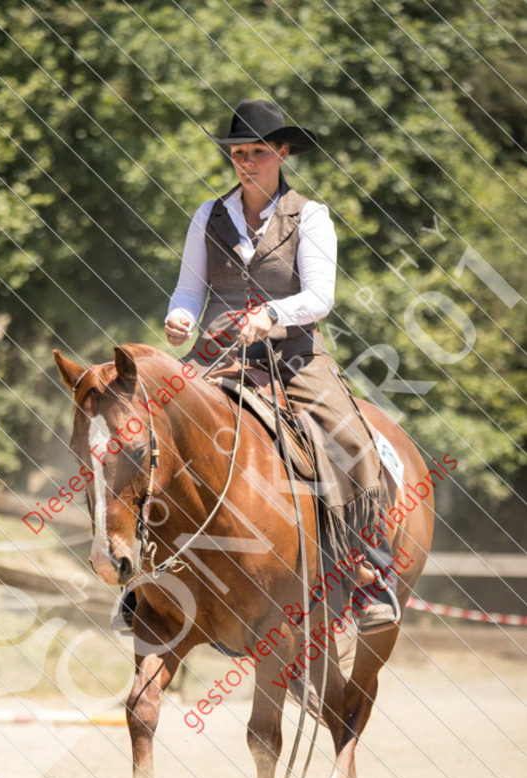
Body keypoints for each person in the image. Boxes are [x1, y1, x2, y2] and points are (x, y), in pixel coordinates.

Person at [164, 98, 400, 631]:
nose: (246, 162)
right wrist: (178, 318)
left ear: (282, 153)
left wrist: (269, 314)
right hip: (218, 355)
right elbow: (188, 290)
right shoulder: (208, 214)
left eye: (258, 153)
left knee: (353, 442)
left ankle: (370, 571)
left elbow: (320, 297)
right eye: (239, 152)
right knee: (153, 427)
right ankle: (148, 579)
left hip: (295, 356)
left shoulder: (310, 215)